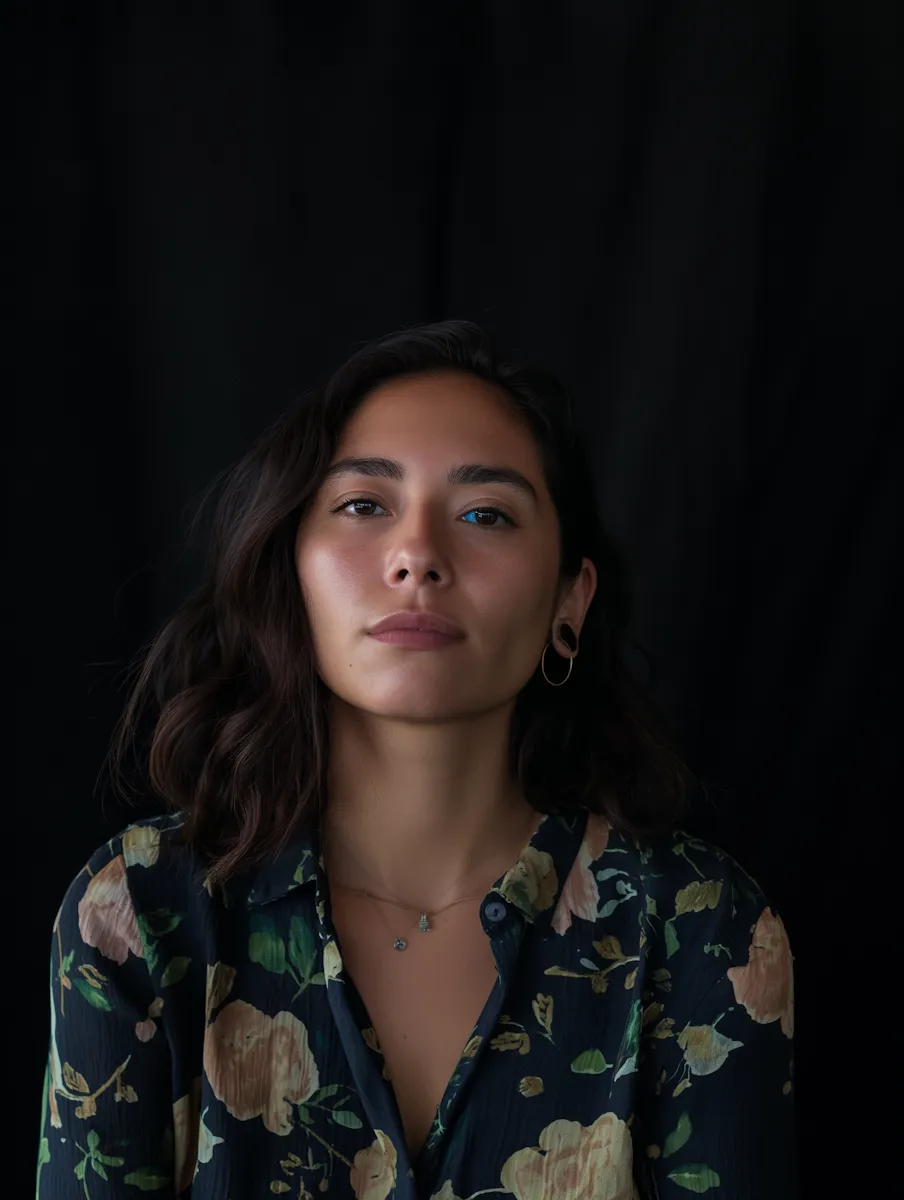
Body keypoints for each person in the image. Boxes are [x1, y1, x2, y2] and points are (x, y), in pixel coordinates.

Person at [36, 320, 797, 1199]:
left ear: (569, 601)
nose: (418, 557)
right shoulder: (141, 915)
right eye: (365, 504)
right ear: (290, 567)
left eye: (485, 514)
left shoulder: (702, 932)